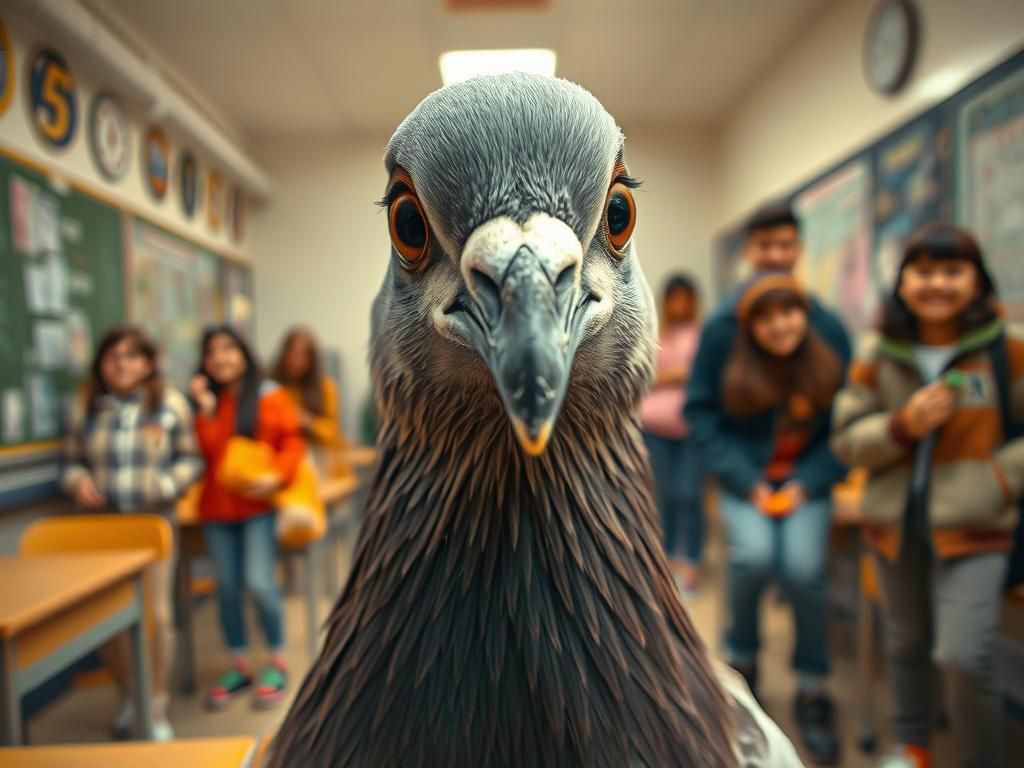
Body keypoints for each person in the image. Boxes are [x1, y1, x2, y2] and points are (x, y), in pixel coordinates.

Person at [832, 224, 1024, 768]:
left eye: (952, 270)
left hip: (977, 527)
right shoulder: (878, 352)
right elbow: (846, 439)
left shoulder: (1007, 350)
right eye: (924, 271)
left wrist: (997, 481)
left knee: (962, 655)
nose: (936, 283)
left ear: (977, 280)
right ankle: (913, 746)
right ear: (903, 282)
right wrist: (902, 426)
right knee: (905, 644)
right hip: (895, 527)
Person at [686, 202, 851, 765]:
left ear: (798, 250)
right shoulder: (721, 331)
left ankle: (811, 685)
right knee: (752, 558)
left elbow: (846, 425)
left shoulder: (825, 325)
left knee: (805, 570)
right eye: (766, 247)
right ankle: (744, 662)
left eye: (787, 247)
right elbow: (701, 414)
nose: (777, 257)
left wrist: (809, 479)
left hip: (806, 481)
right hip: (747, 481)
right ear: (750, 252)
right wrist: (744, 478)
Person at [61, 326, 203, 741]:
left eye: (130, 356)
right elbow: (69, 462)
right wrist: (77, 481)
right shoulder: (87, 405)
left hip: (153, 524)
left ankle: (154, 702)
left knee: (155, 614)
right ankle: (130, 693)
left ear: (146, 363)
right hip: (103, 527)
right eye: (112, 357)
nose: (121, 364)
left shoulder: (170, 404)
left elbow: (191, 461)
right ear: (101, 364)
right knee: (107, 619)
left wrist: (166, 484)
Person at [189, 325, 305, 711]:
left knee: (259, 583)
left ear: (244, 354)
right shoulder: (209, 401)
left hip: (258, 508)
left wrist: (277, 476)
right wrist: (205, 413)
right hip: (217, 510)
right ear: (204, 362)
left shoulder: (270, 396)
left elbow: (292, 443)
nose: (221, 358)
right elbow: (212, 458)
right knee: (226, 586)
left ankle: (276, 661)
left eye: (229, 349)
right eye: (212, 351)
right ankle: (239, 665)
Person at [639, 273, 705, 593]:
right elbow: (640, 376)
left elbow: (706, 380)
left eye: (686, 297)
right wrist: (675, 376)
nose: (680, 304)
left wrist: (670, 376)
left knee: (689, 496)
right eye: (674, 297)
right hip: (654, 428)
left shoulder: (702, 336)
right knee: (662, 496)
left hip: (692, 431)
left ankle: (691, 563)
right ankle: (664, 564)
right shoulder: (652, 332)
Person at [271, 327, 346, 456]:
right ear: (284, 354)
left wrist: (308, 422)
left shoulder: (326, 387)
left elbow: (333, 433)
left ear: (312, 360)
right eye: (292, 353)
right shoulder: (272, 386)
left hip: (315, 454)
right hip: (279, 452)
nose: (296, 360)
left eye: (303, 355)